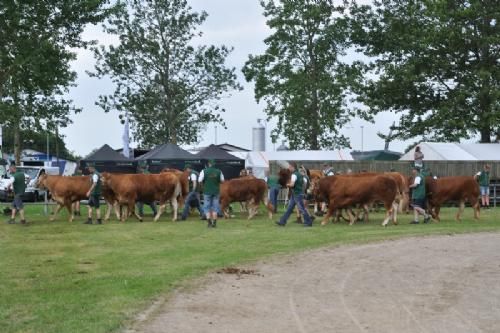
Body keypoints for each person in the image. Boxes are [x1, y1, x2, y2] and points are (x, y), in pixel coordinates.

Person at [276, 162, 314, 227]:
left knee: (302, 209)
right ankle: (282, 221)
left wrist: (286, 185)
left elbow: (292, 184)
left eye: (290, 167)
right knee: (289, 208)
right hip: (297, 193)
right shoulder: (299, 174)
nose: (289, 168)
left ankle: (308, 222)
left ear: (293, 167)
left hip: (297, 194)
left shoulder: (294, 175)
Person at [198, 159, 224, 228]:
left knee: (206, 207)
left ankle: (209, 223)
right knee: (215, 208)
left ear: (209, 164)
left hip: (206, 192)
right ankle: (214, 223)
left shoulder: (204, 171)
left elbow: (199, 180)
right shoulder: (219, 171)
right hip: (216, 192)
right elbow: (222, 181)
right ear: (214, 164)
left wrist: (203, 186)